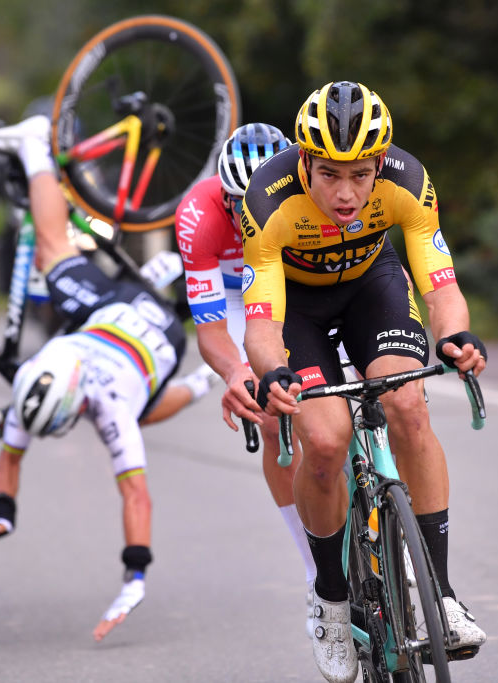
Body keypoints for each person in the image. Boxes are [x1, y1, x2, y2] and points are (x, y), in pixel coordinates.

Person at [240, 81, 487, 683]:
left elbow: (440, 285)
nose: (346, 194)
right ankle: (328, 597)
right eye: (328, 175)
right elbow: (263, 320)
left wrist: (455, 336)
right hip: (295, 308)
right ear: (304, 161)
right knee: (324, 439)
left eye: (360, 174)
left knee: (408, 406)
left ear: (381, 161)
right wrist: (271, 369)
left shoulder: (407, 180)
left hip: (372, 285)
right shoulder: (268, 200)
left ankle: (442, 597)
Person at [0, 116, 216, 642]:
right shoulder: (35, 384)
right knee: (57, 256)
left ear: (78, 400)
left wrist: (136, 573)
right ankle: (194, 372)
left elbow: (137, 499)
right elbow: (14, 458)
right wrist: (1, 512)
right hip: (108, 322)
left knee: (55, 252)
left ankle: (36, 148)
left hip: (154, 334)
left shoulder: (109, 406)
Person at [175, 122, 325, 627]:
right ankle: (314, 572)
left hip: (294, 280)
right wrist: (237, 373)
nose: (248, 213)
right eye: (238, 203)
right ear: (223, 195)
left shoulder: (309, 195)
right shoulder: (197, 216)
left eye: (256, 199)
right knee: (270, 415)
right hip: (239, 294)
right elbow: (212, 329)